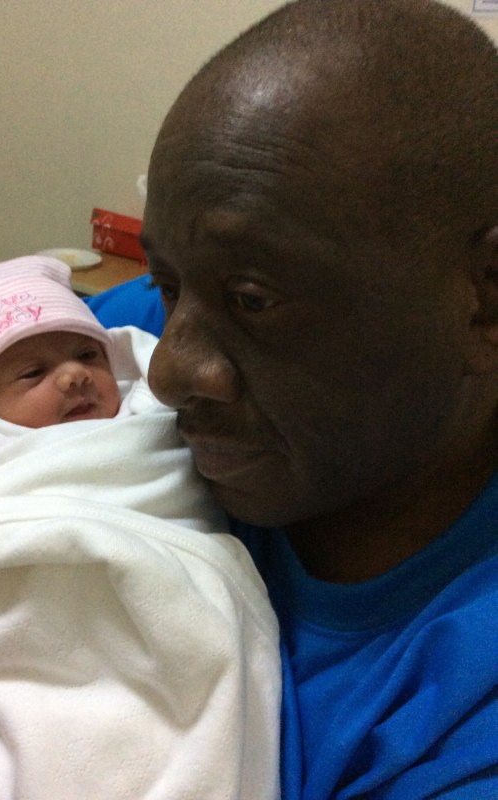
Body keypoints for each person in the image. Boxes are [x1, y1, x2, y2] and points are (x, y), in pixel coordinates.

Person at [138, 0, 498, 797]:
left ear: (483, 297)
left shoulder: (466, 712)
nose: (167, 370)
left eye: (253, 300)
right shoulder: (216, 273)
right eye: (166, 284)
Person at [0, 256, 280, 799]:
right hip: (19, 620)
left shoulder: (139, 405)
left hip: (163, 588)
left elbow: (149, 360)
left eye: (86, 354)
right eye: (32, 373)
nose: (74, 375)